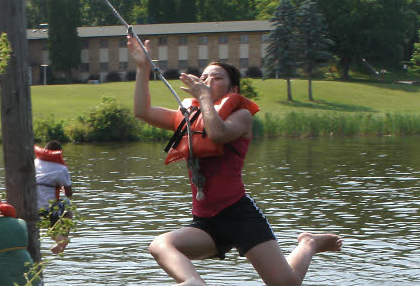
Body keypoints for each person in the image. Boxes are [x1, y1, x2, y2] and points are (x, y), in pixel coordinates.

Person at [127, 37, 342, 285]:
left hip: (240, 215)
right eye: (205, 77)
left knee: (286, 284)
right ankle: (194, 283)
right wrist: (143, 68)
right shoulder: (189, 119)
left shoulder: (241, 117)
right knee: (160, 245)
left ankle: (309, 243)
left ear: (234, 90)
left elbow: (217, 133)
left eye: (217, 77)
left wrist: (205, 97)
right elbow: (142, 111)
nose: (208, 81)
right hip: (206, 222)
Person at [34, 140, 73, 254]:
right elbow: (68, 193)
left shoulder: (34, 162)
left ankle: (58, 238)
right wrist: (60, 186)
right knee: (67, 208)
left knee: (53, 213)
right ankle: (62, 241)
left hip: (31, 205)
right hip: (48, 209)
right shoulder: (61, 168)